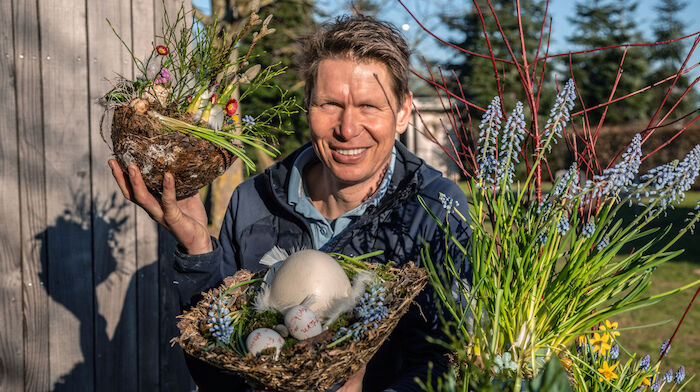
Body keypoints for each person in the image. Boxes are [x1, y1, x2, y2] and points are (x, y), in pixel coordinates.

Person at [109, 15, 471, 392]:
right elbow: (218, 377)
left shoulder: (434, 209)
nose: (347, 129)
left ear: (402, 114)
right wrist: (199, 253)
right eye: (329, 104)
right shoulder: (255, 203)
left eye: (368, 107)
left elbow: (445, 363)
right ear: (307, 106)